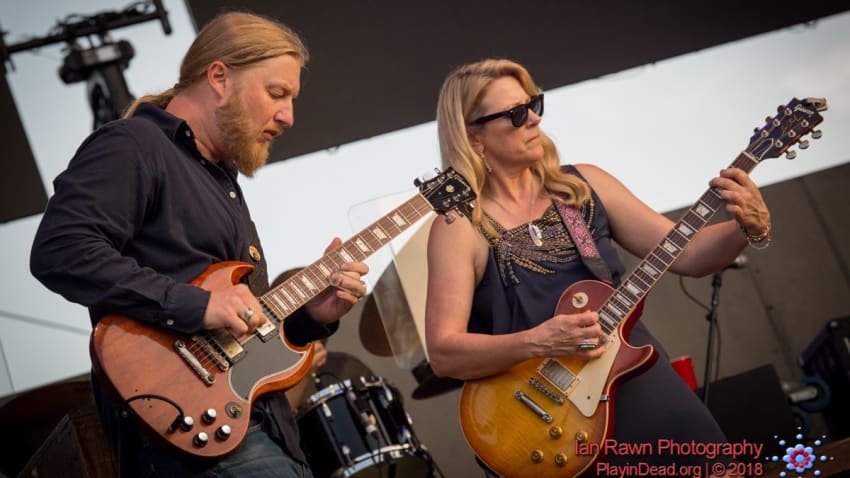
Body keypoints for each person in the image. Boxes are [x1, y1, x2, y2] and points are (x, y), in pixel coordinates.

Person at [29, 11, 368, 478]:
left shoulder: (219, 179)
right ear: (219, 77)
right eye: (277, 93)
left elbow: (239, 333)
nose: (288, 116)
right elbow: (60, 249)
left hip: (252, 427)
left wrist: (311, 315)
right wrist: (199, 305)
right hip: (187, 438)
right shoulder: (134, 144)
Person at [424, 59, 772, 475]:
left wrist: (747, 228)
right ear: (474, 137)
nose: (534, 118)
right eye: (516, 113)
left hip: (638, 381)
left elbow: (691, 253)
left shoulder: (583, 186)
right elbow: (444, 353)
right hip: (545, 420)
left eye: (534, 104)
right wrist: (538, 341)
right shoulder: (459, 226)